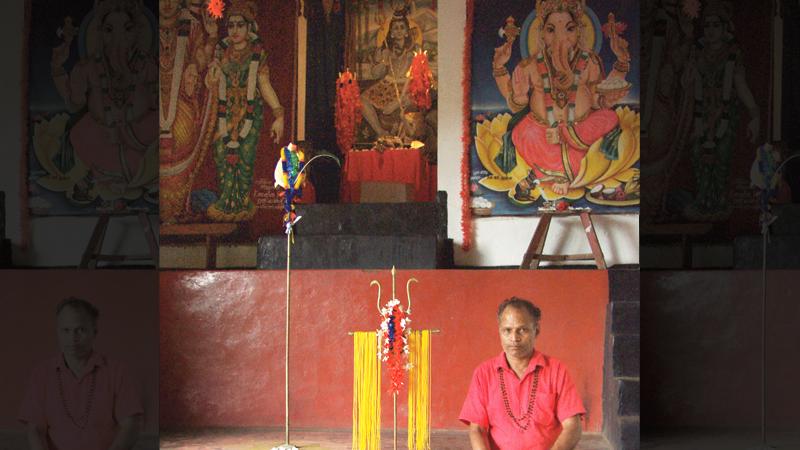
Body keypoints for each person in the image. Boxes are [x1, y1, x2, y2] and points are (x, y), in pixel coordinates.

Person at [491, 0, 630, 197]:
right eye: (551, 30)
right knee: (521, 132)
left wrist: (620, 68)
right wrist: (508, 80)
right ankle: (562, 173)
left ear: (579, 32)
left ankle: (546, 171)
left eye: (569, 29)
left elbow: (598, 102)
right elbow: (515, 104)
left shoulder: (590, 62)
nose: (561, 37)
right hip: (542, 134)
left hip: (579, 133)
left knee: (610, 117)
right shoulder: (529, 65)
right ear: (541, 34)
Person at [50, 0, 158, 209]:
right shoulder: (89, 67)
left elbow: (158, 105)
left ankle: (143, 180)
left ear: (137, 32)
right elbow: (74, 104)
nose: (119, 38)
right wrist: (57, 68)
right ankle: (107, 179)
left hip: (139, 139)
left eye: (127, 29)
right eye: (110, 30)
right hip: (102, 139)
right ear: (100, 34)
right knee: (79, 132)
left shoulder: (148, 66)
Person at [18, 297, 143, 450]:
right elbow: (35, 429)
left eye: (80, 330)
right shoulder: (41, 374)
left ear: (94, 332)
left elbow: (131, 424)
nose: (73, 338)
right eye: (66, 330)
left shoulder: (117, 372)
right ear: (58, 332)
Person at [460, 297, 585, 450]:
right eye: (507, 330)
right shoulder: (483, 373)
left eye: (522, 330)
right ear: (499, 331)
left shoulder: (556, 370)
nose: (514, 338)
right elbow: (477, 429)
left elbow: (573, 425)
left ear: (536, 330)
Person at [204, 0, 285, 222]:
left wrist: (279, 115)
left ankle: (241, 204)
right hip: (224, 113)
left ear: (250, 27)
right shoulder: (221, 52)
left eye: (240, 25)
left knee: (246, 160)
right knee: (222, 157)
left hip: (250, 114)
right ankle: (226, 203)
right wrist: (212, 74)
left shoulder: (256, 53)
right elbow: (211, 83)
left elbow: (264, 84)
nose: (235, 30)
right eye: (230, 26)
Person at [361, 6, 422, 140]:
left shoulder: (414, 50)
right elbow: (376, 74)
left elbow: (418, 77)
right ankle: (380, 131)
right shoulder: (386, 50)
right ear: (391, 33)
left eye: (402, 27)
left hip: (406, 87)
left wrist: (396, 102)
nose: (399, 31)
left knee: (413, 98)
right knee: (362, 100)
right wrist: (382, 61)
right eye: (395, 28)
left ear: (407, 32)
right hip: (387, 86)